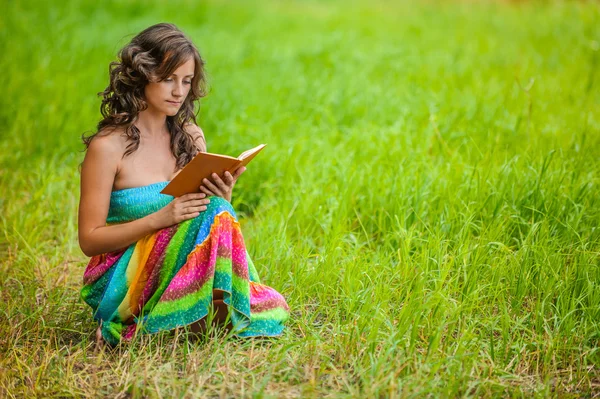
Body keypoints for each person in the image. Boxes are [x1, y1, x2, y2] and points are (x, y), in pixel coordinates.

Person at [78, 23, 290, 348]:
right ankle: (143, 323)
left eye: (187, 81)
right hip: (121, 274)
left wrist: (224, 195)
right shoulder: (108, 147)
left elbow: (204, 218)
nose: (179, 91)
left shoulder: (190, 136)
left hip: (177, 265)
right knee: (231, 311)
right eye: (168, 79)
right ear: (142, 75)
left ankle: (184, 318)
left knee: (218, 213)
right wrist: (161, 217)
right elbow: (90, 241)